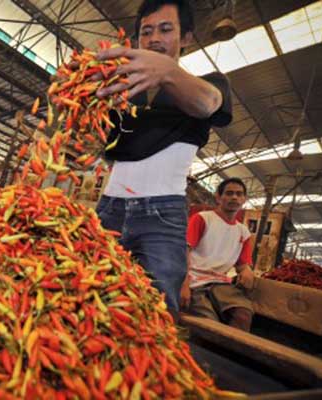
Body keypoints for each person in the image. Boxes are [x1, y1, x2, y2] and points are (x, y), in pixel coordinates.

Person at [94, 0, 233, 315]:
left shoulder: (208, 83)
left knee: (153, 311)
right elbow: (104, 142)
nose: (154, 38)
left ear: (185, 38)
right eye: (146, 31)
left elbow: (209, 104)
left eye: (166, 29)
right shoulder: (126, 91)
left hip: (161, 214)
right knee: (91, 297)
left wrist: (168, 72)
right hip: (109, 208)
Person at [181, 178, 254, 331]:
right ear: (218, 197)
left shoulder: (243, 232)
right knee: (209, 324)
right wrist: (184, 285)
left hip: (220, 283)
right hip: (195, 280)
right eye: (229, 193)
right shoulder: (203, 218)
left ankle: (231, 352)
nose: (234, 197)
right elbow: (184, 251)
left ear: (244, 199)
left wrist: (247, 271)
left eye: (239, 194)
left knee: (243, 314)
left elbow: (242, 264)